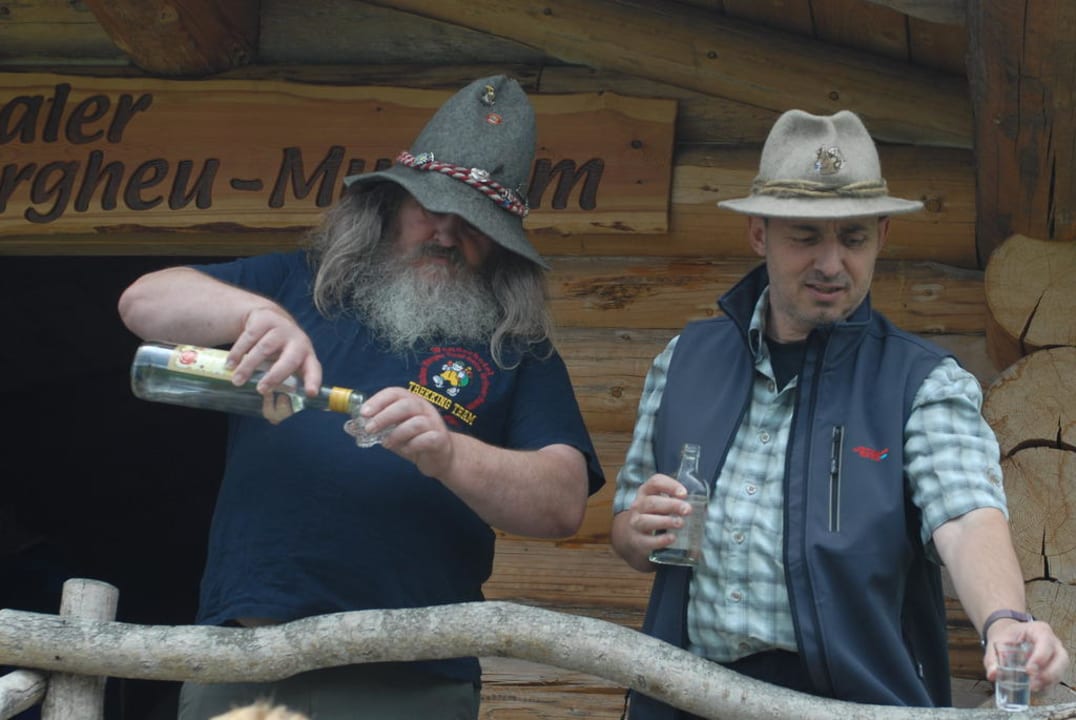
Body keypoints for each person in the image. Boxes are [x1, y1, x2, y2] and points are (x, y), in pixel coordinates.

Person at [118, 75, 604, 720]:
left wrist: (448, 453)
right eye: (429, 210)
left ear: (502, 243)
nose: (445, 234)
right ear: (389, 204)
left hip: (414, 675)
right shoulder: (297, 282)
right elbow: (142, 301)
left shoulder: (518, 347)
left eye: (473, 224)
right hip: (248, 654)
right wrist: (257, 315)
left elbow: (562, 503)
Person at [610, 109, 1069, 717]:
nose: (831, 264)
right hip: (683, 700)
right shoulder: (682, 360)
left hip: (851, 707)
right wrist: (635, 530)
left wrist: (1004, 619)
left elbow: (966, 519)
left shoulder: (922, 382)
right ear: (758, 233)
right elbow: (629, 529)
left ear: (882, 236)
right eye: (805, 237)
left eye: (853, 238)